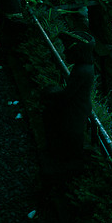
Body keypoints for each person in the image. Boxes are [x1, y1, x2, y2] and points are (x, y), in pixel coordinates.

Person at [42, 31, 95, 165]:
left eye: (69, 51)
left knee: (73, 136)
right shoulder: (85, 67)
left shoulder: (82, 70)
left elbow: (67, 95)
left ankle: (71, 162)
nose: (65, 53)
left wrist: (51, 93)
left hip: (77, 110)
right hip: (79, 106)